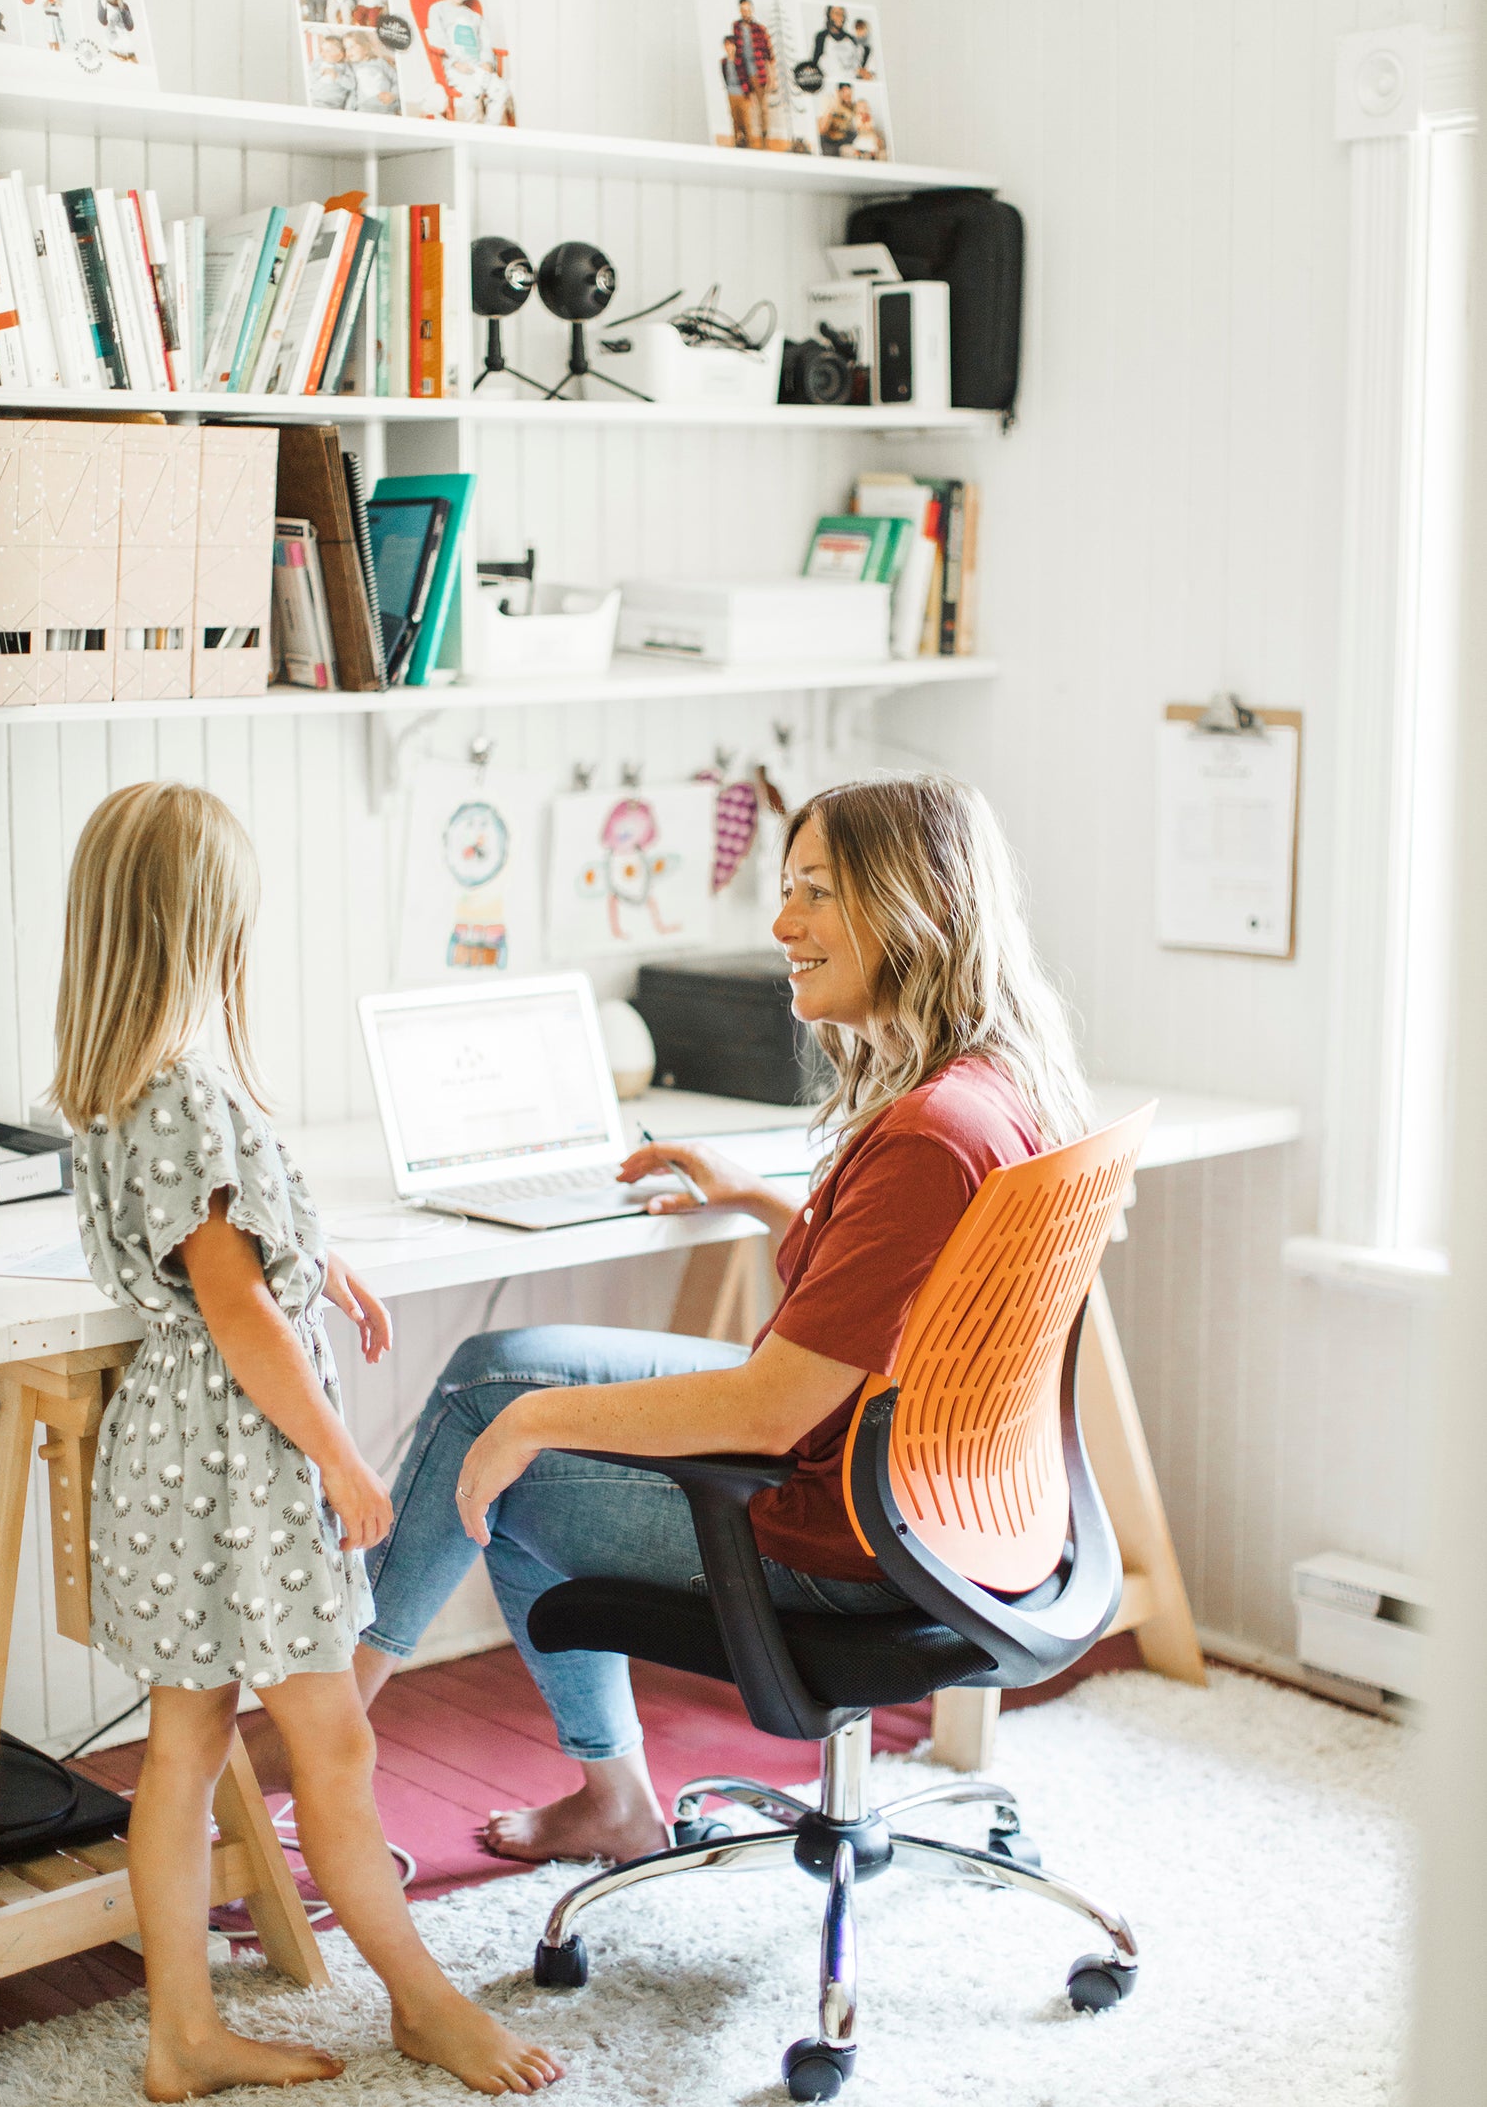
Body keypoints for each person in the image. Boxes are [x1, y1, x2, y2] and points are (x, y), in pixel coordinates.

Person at [290, 774, 1089, 1868]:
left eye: (815, 891)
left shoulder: (926, 1138)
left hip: (847, 1535)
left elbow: (769, 1413)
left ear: (916, 908)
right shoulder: (993, 1091)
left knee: (498, 1421)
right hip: (945, 1507)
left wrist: (534, 1428)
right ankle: (565, 1785)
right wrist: (761, 1198)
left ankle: (328, 1737)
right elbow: (897, 1300)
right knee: (501, 1370)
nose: (782, 924)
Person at [51, 782, 563, 2103]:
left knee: (187, 1741)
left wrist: (317, 1271)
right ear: (206, 931)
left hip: (171, 1458)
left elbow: (220, 1263)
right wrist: (340, 1451)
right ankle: (428, 2003)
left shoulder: (112, 1094)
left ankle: (183, 2032)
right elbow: (231, 1305)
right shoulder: (192, 1097)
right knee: (332, 1745)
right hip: (240, 1468)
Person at [730, 0, 774, 145]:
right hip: (743, 73)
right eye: (743, 9)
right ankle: (746, 138)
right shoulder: (736, 27)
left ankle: (764, 137)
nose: (745, 12)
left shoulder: (760, 29)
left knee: (762, 107)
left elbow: (769, 55)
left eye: (748, 9)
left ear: (752, 10)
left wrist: (772, 77)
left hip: (758, 73)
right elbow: (736, 51)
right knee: (745, 107)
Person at [345, 29, 399, 116]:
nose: (348, 51)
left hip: (386, 108)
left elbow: (397, 80)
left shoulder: (380, 62)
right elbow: (352, 92)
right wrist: (348, 111)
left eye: (351, 47)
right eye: (346, 48)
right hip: (364, 109)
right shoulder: (352, 68)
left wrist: (393, 95)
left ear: (365, 48)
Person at [719, 32, 756, 148]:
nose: (729, 48)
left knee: (745, 120)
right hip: (731, 94)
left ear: (735, 46)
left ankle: (749, 144)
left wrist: (749, 94)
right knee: (735, 120)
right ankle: (737, 142)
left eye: (731, 45)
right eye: (726, 45)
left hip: (742, 94)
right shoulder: (724, 62)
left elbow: (746, 77)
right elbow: (725, 77)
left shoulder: (740, 61)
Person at [307, 32, 355, 111]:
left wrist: (337, 76)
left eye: (328, 51)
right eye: (322, 50)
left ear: (340, 55)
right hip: (315, 101)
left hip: (334, 105)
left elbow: (351, 85)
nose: (322, 53)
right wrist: (318, 73)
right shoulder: (319, 62)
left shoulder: (344, 67)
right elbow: (309, 77)